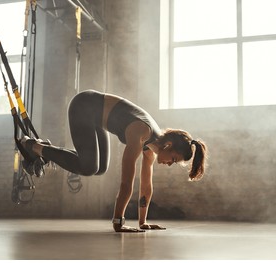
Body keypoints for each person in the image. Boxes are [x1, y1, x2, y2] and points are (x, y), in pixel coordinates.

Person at [20, 90, 207, 232]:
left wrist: (143, 222)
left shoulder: (152, 147)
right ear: (168, 145)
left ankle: (44, 150)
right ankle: (33, 146)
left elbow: (146, 186)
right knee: (89, 166)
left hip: (96, 118)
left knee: (100, 168)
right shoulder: (142, 132)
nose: (170, 164)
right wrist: (119, 221)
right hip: (83, 106)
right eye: (173, 159)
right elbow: (126, 183)